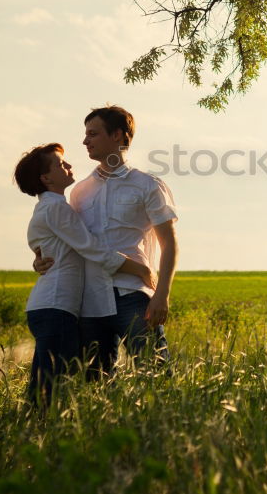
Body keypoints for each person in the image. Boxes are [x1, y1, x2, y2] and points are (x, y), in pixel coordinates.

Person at [34, 105, 178, 377]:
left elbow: (169, 243)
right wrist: (40, 257)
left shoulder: (148, 185)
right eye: (85, 134)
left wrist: (162, 294)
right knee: (94, 383)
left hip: (133, 295)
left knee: (156, 375)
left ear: (117, 136)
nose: (85, 141)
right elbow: (71, 240)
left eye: (93, 134)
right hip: (89, 300)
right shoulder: (78, 191)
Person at [13, 142, 151, 404]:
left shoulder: (50, 207)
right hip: (56, 306)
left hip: (50, 306)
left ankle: (31, 433)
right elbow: (92, 248)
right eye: (60, 164)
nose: (69, 166)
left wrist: (37, 258)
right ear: (46, 177)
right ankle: (47, 435)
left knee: (44, 384)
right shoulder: (56, 208)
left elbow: (44, 246)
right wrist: (138, 268)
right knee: (55, 385)